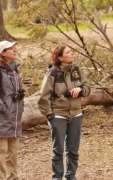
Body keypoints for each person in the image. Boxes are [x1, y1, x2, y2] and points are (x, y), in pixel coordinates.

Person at [38, 44, 91, 180]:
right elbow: (44, 97)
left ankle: (71, 176)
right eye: (69, 52)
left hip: (76, 114)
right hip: (58, 116)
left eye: (72, 51)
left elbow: (87, 87)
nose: (72, 54)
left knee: (73, 150)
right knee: (58, 151)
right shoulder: (52, 74)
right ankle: (57, 178)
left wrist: (80, 90)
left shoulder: (76, 70)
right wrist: (50, 116)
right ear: (60, 57)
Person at [0, 40, 24, 180]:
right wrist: (5, 109)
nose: (15, 50)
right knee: (0, 153)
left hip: (14, 120)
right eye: (11, 48)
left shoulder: (13, 69)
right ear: (2, 53)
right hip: (0, 120)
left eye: (14, 48)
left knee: (13, 153)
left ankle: (13, 177)